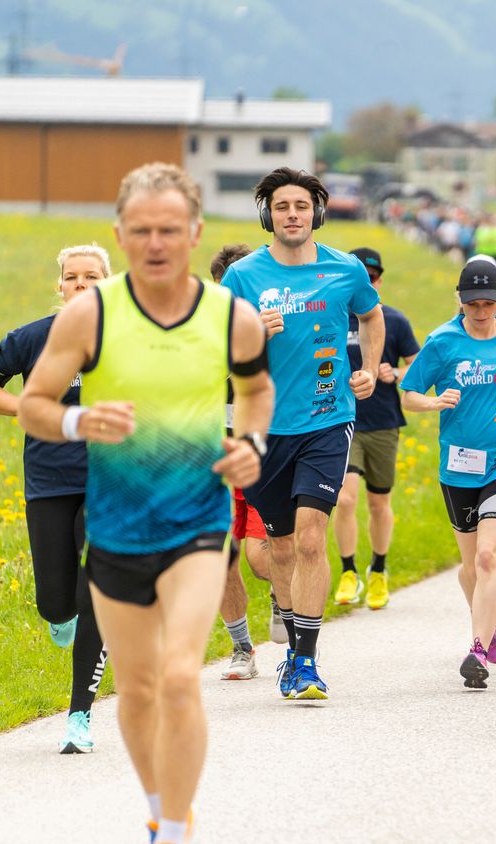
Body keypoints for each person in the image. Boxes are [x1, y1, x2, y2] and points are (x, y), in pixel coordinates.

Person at [18, 162, 273, 841]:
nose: (154, 243)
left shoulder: (230, 317)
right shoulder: (89, 314)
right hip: (117, 527)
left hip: (196, 521)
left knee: (182, 675)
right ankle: (159, 799)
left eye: (168, 229)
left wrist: (251, 442)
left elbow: (255, 391)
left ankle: (170, 825)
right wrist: (78, 422)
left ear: (193, 233)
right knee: (136, 690)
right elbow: (34, 405)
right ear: (119, 235)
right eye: (140, 231)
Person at [220, 167, 384, 701]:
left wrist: (367, 369)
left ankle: (307, 662)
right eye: (282, 206)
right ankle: (294, 647)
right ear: (268, 214)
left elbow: (372, 316)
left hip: (327, 419)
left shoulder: (346, 268)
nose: (293, 215)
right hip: (264, 427)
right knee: (282, 549)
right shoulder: (242, 277)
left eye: (302, 205)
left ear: (317, 210)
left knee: (313, 537)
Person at [0, 243, 111, 754]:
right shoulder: (32, 338)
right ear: (60, 285)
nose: (80, 285)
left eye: (91, 277)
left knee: (95, 595)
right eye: (72, 277)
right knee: (56, 600)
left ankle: (80, 717)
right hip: (49, 481)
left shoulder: (130, 339)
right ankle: (60, 616)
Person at [401, 258, 496, 687]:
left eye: (488, 303)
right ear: (460, 300)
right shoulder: (442, 341)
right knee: (470, 567)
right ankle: (489, 625)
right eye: (473, 303)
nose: (480, 311)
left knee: (488, 556)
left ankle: (477, 650)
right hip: (458, 467)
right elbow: (409, 394)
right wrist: (435, 403)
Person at [331, 247, 419, 610]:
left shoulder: (393, 320)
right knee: (345, 498)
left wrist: (394, 373)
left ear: (379, 281)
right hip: (341, 422)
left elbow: (417, 369)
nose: (368, 282)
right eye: (361, 277)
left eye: (373, 277)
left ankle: (378, 571)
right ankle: (348, 571)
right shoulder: (333, 317)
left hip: (383, 422)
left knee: (379, 502)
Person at [209, 243, 279, 679]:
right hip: (215, 456)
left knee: (258, 557)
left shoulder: (279, 327)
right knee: (218, 557)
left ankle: (285, 598)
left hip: (264, 455)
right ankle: (242, 650)